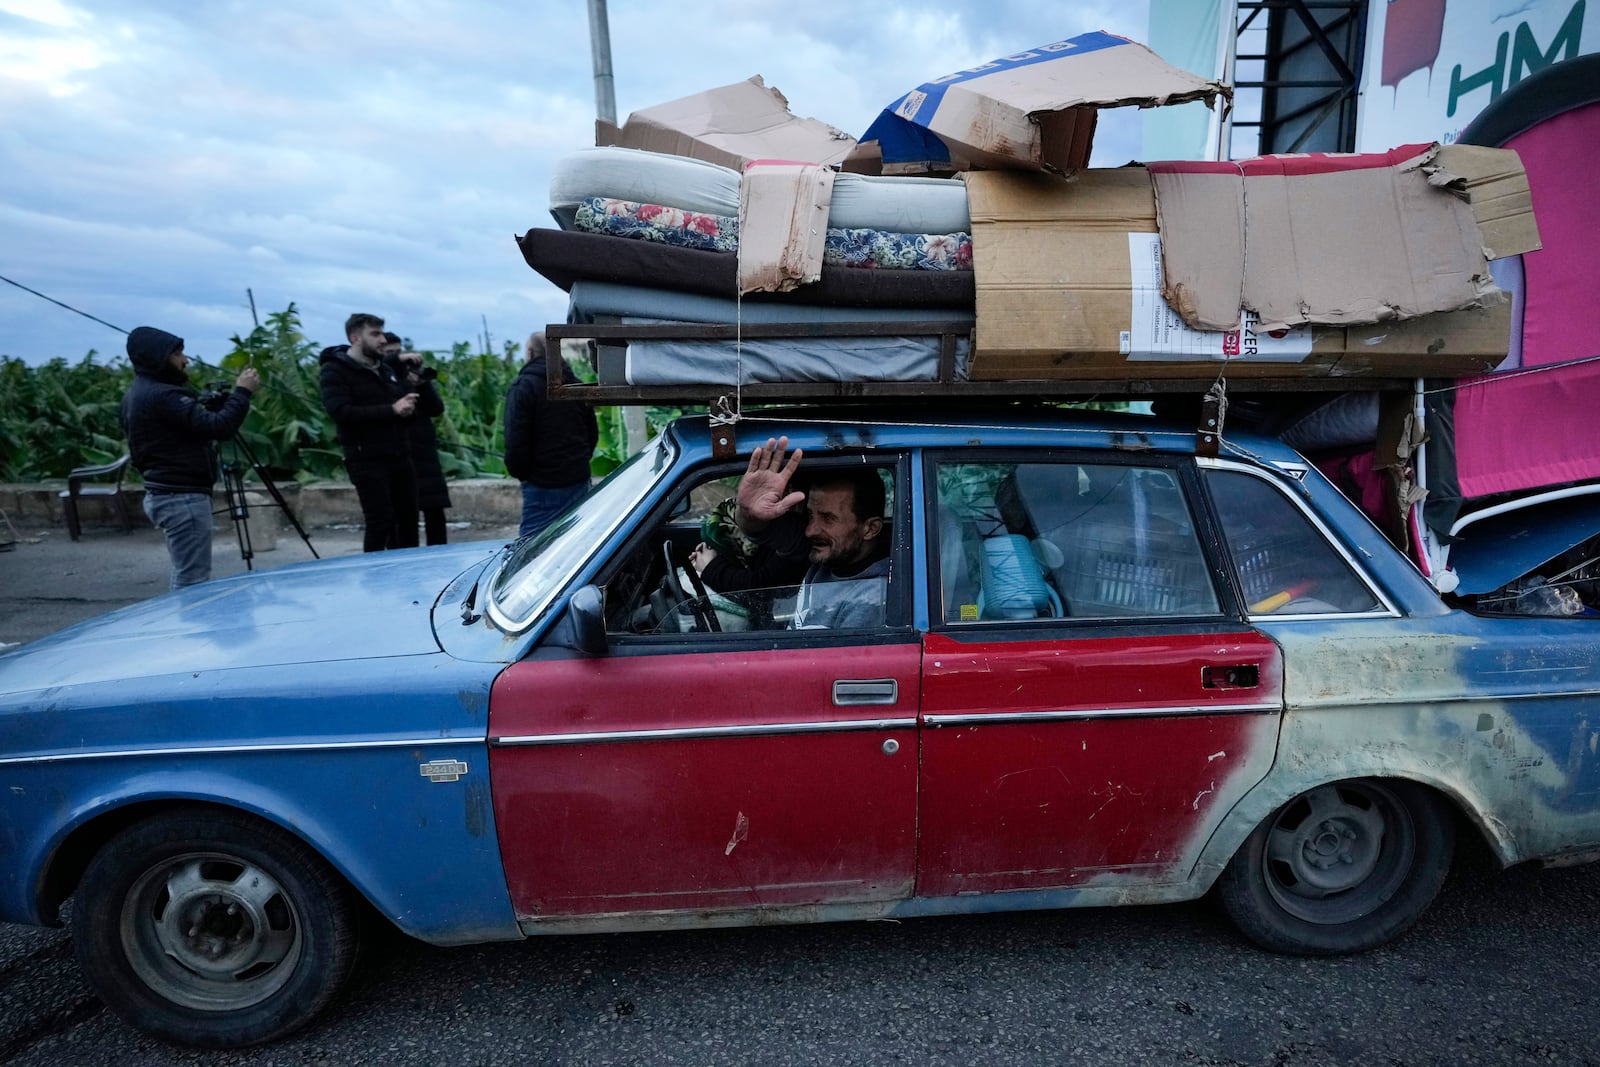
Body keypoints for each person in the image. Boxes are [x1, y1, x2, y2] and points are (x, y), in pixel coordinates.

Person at [694, 436, 890, 629]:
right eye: (810, 515)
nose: (810, 530)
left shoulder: (870, 602)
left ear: (870, 529)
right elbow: (761, 530)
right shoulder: (830, 550)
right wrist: (748, 511)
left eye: (828, 518)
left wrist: (712, 569)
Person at [118, 325, 259, 589]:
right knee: (192, 580)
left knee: (187, 572)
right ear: (159, 358)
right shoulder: (163, 395)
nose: (185, 360)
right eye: (178, 354)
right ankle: (188, 628)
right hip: (181, 497)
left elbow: (180, 429)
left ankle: (184, 624)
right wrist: (242, 392)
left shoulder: (136, 393)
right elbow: (220, 427)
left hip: (165, 493)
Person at [319, 313, 441, 552]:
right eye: (374, 334)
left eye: (382, 333)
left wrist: (410, 399)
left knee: (408, 521)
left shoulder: (385, 370)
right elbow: (341, 412)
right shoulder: (335, 371)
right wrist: (392, 410)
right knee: (381, 522)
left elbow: (432, 408)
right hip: (367, 459)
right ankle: (376, 581)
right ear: (355, 338)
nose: (382, 340)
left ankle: (409, 574)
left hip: (401, 456)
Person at [502, 331, 598, 538]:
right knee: (575, 543)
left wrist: (523, 473)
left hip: (542, 485)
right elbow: (592, 433)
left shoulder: (524, 387)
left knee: (532, 550)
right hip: (578, 478)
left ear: (529, 353)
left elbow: (515, 440)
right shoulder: (575, 384)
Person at [381, 332, 452, 546]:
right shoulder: (382, 379)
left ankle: (439, 556)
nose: (398, 357)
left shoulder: (410, 378)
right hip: (400, 453)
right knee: (400, 519)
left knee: (435, 514)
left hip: (425, 455)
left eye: (398, 352)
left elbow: (436, 408)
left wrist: (421, 384)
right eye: (390, 353)